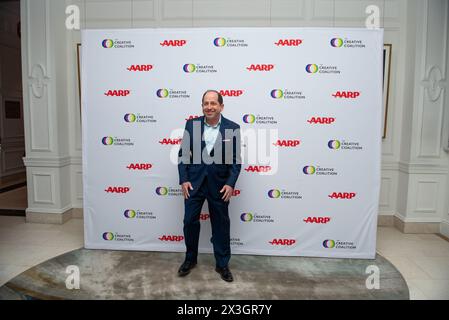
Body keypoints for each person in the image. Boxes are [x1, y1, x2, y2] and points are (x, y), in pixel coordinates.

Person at [177, 90, 241, 282]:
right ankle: (190, 259)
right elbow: (183, 155)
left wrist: (230, 184)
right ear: (202, 106)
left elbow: (236, 161)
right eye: (206, 103)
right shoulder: (192, 124)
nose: (209, 107)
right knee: (189, 222)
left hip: (220, 186)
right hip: (194, 184)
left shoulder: (233, 128)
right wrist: (184, 179)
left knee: (221, 225)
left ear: (221, 106)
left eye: (213, 103)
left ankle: (222, 265)